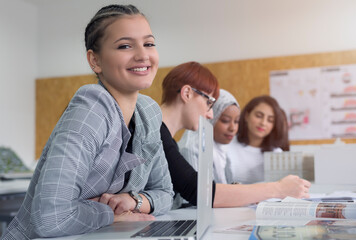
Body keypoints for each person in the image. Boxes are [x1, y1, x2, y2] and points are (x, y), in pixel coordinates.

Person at [3, 4, 173, 239]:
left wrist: (131, 200)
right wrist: (111, 213)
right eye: (125, 45)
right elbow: (51, 219)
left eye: (149, 43)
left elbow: (165, 193)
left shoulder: (149, 112)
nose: (143, 55)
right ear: (95, 61)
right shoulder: (91, 108)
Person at [160, 63, 311, 209]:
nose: (210, 114)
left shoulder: (166, 138)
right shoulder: (159, 135)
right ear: (187, 93)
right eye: (208, 102)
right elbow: (197, 191)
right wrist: (279, 189)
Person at [226, 95, 292, 184]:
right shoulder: (227, 145)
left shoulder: (276, 154)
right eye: (259, 116)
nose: (263, 123)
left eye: (270, 120)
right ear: (246, 116)